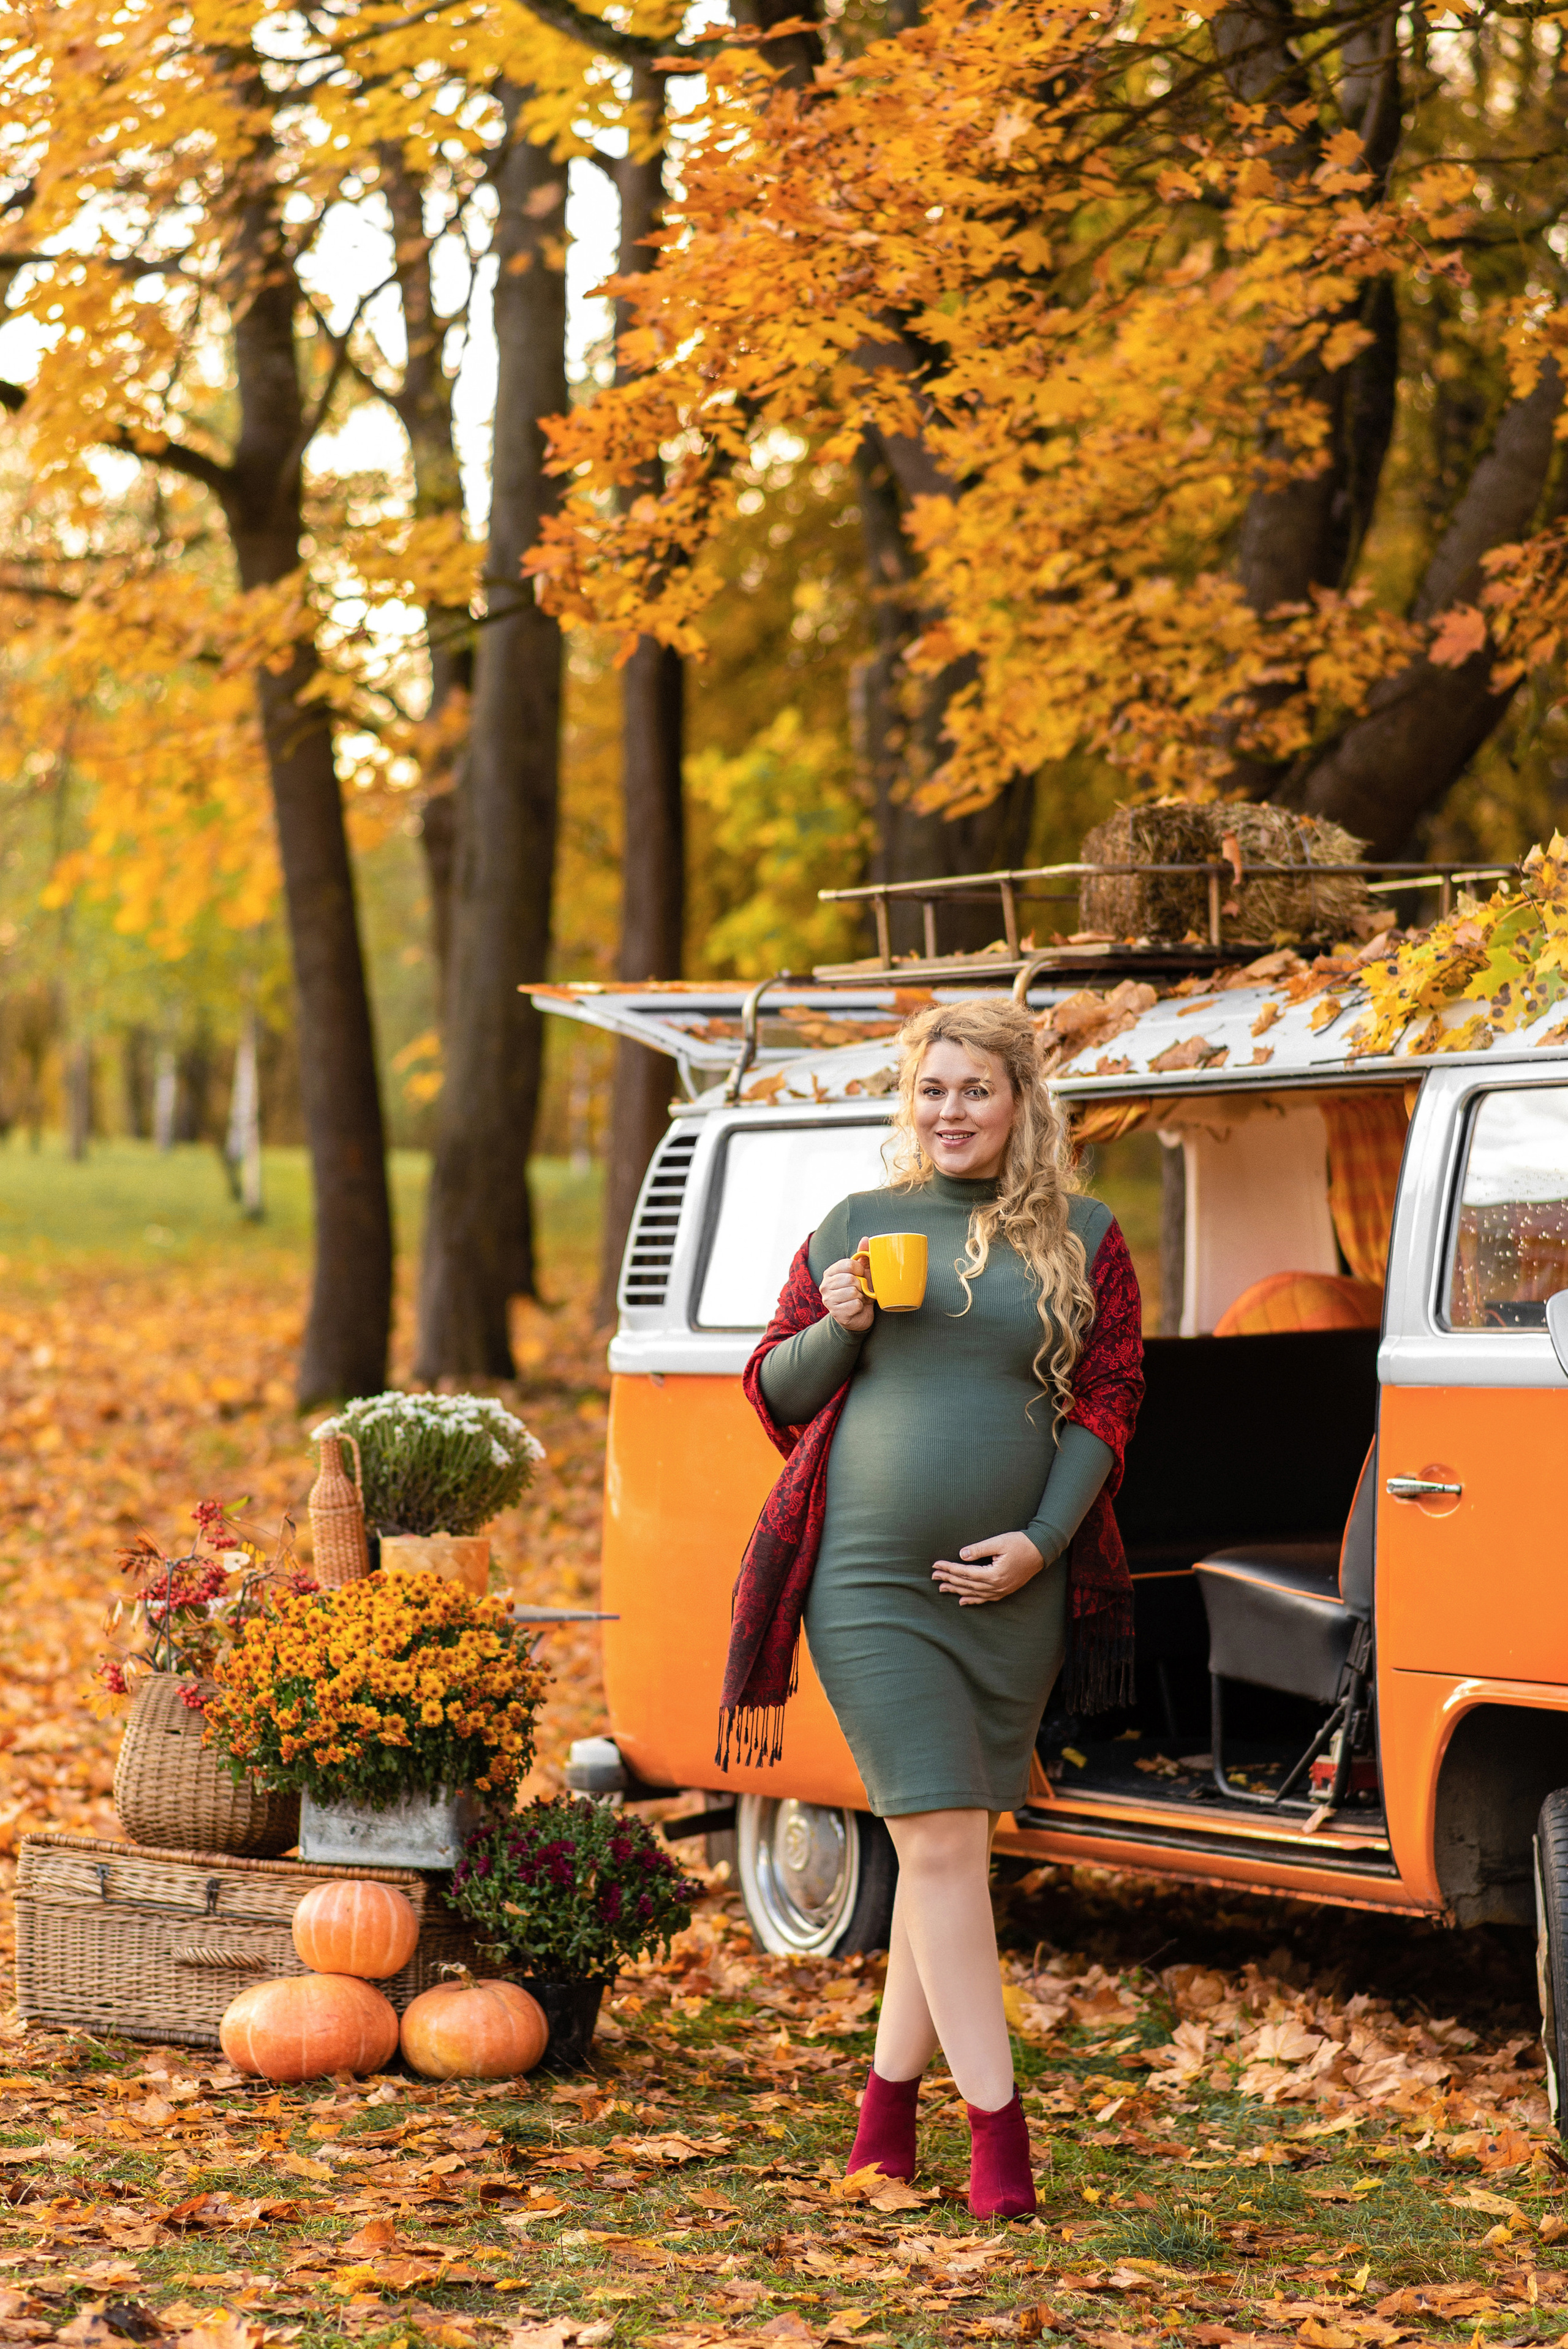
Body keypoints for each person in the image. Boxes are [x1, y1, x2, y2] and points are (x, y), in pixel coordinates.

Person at [718, 998, 1144, 2219]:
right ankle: (999, 2147)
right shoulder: (856, 1229)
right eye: (930, 1089)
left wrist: (1039, 1545)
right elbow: (776, 1391)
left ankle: (883, 2122)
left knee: (939, 1851)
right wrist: (840, 1323)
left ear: (1020, 1104)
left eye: (973, 1089)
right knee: (947, 1844)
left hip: (1016, 1584)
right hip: (867, 1581)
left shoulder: (1087, 1235)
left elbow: (1107, 1403)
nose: (947, 1111)